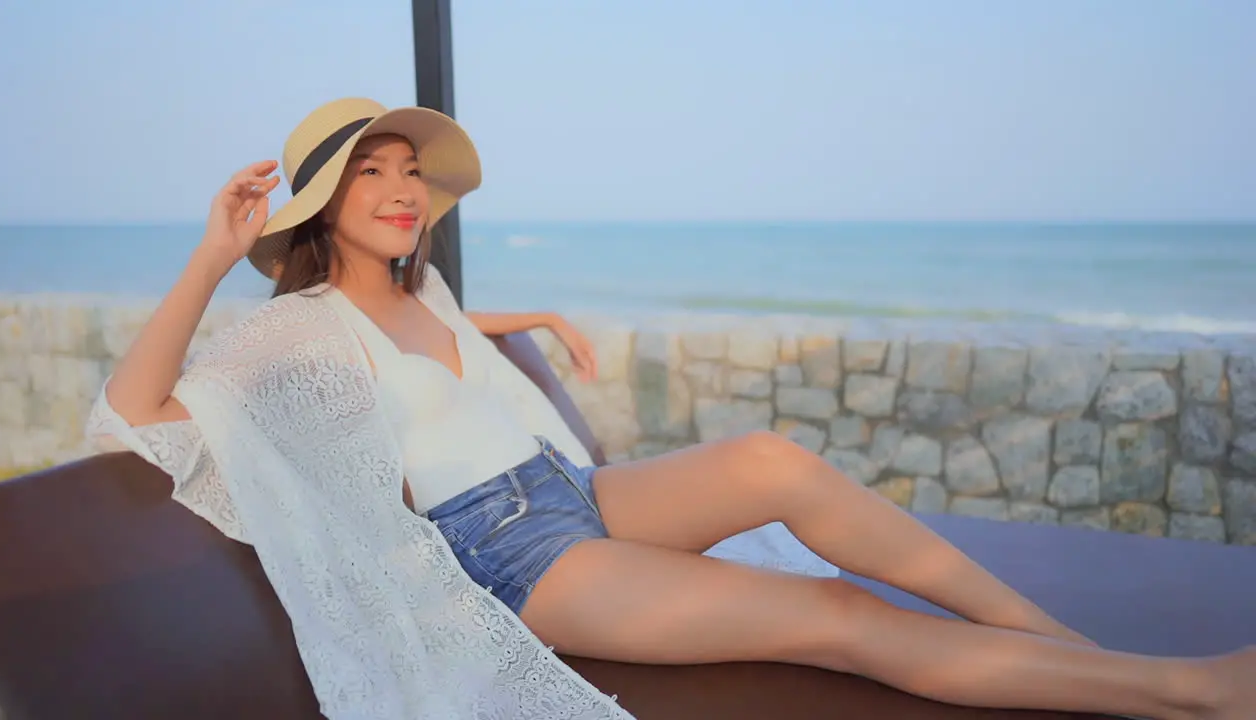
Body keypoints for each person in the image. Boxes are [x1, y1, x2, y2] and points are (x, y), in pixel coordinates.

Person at [88, 97, 1253, 720]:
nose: (402, 191)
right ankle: (1185, 692)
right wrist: (208, 258)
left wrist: (522, 315)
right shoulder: (294, 338)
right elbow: (138, 409)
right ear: (320, 203)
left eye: (412, 173)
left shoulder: (423, 289)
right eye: (371, 173)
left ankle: (1057, 653)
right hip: (512, 558)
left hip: (575, 496)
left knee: (773, 462)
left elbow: (440, 347)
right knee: (836, 614)